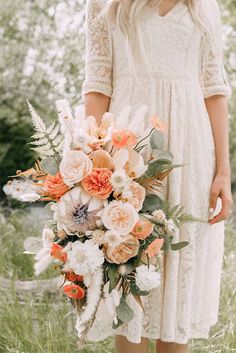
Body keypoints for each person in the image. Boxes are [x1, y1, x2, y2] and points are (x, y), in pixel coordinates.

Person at [82, 0, 232, 352]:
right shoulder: (106, 5)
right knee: (127, 272)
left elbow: (215, 90)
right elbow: (97, 82)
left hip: (190, 152)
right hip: (127, 152)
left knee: (177, 279)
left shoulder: (205, 7)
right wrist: (92, 158)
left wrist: (224, 171)